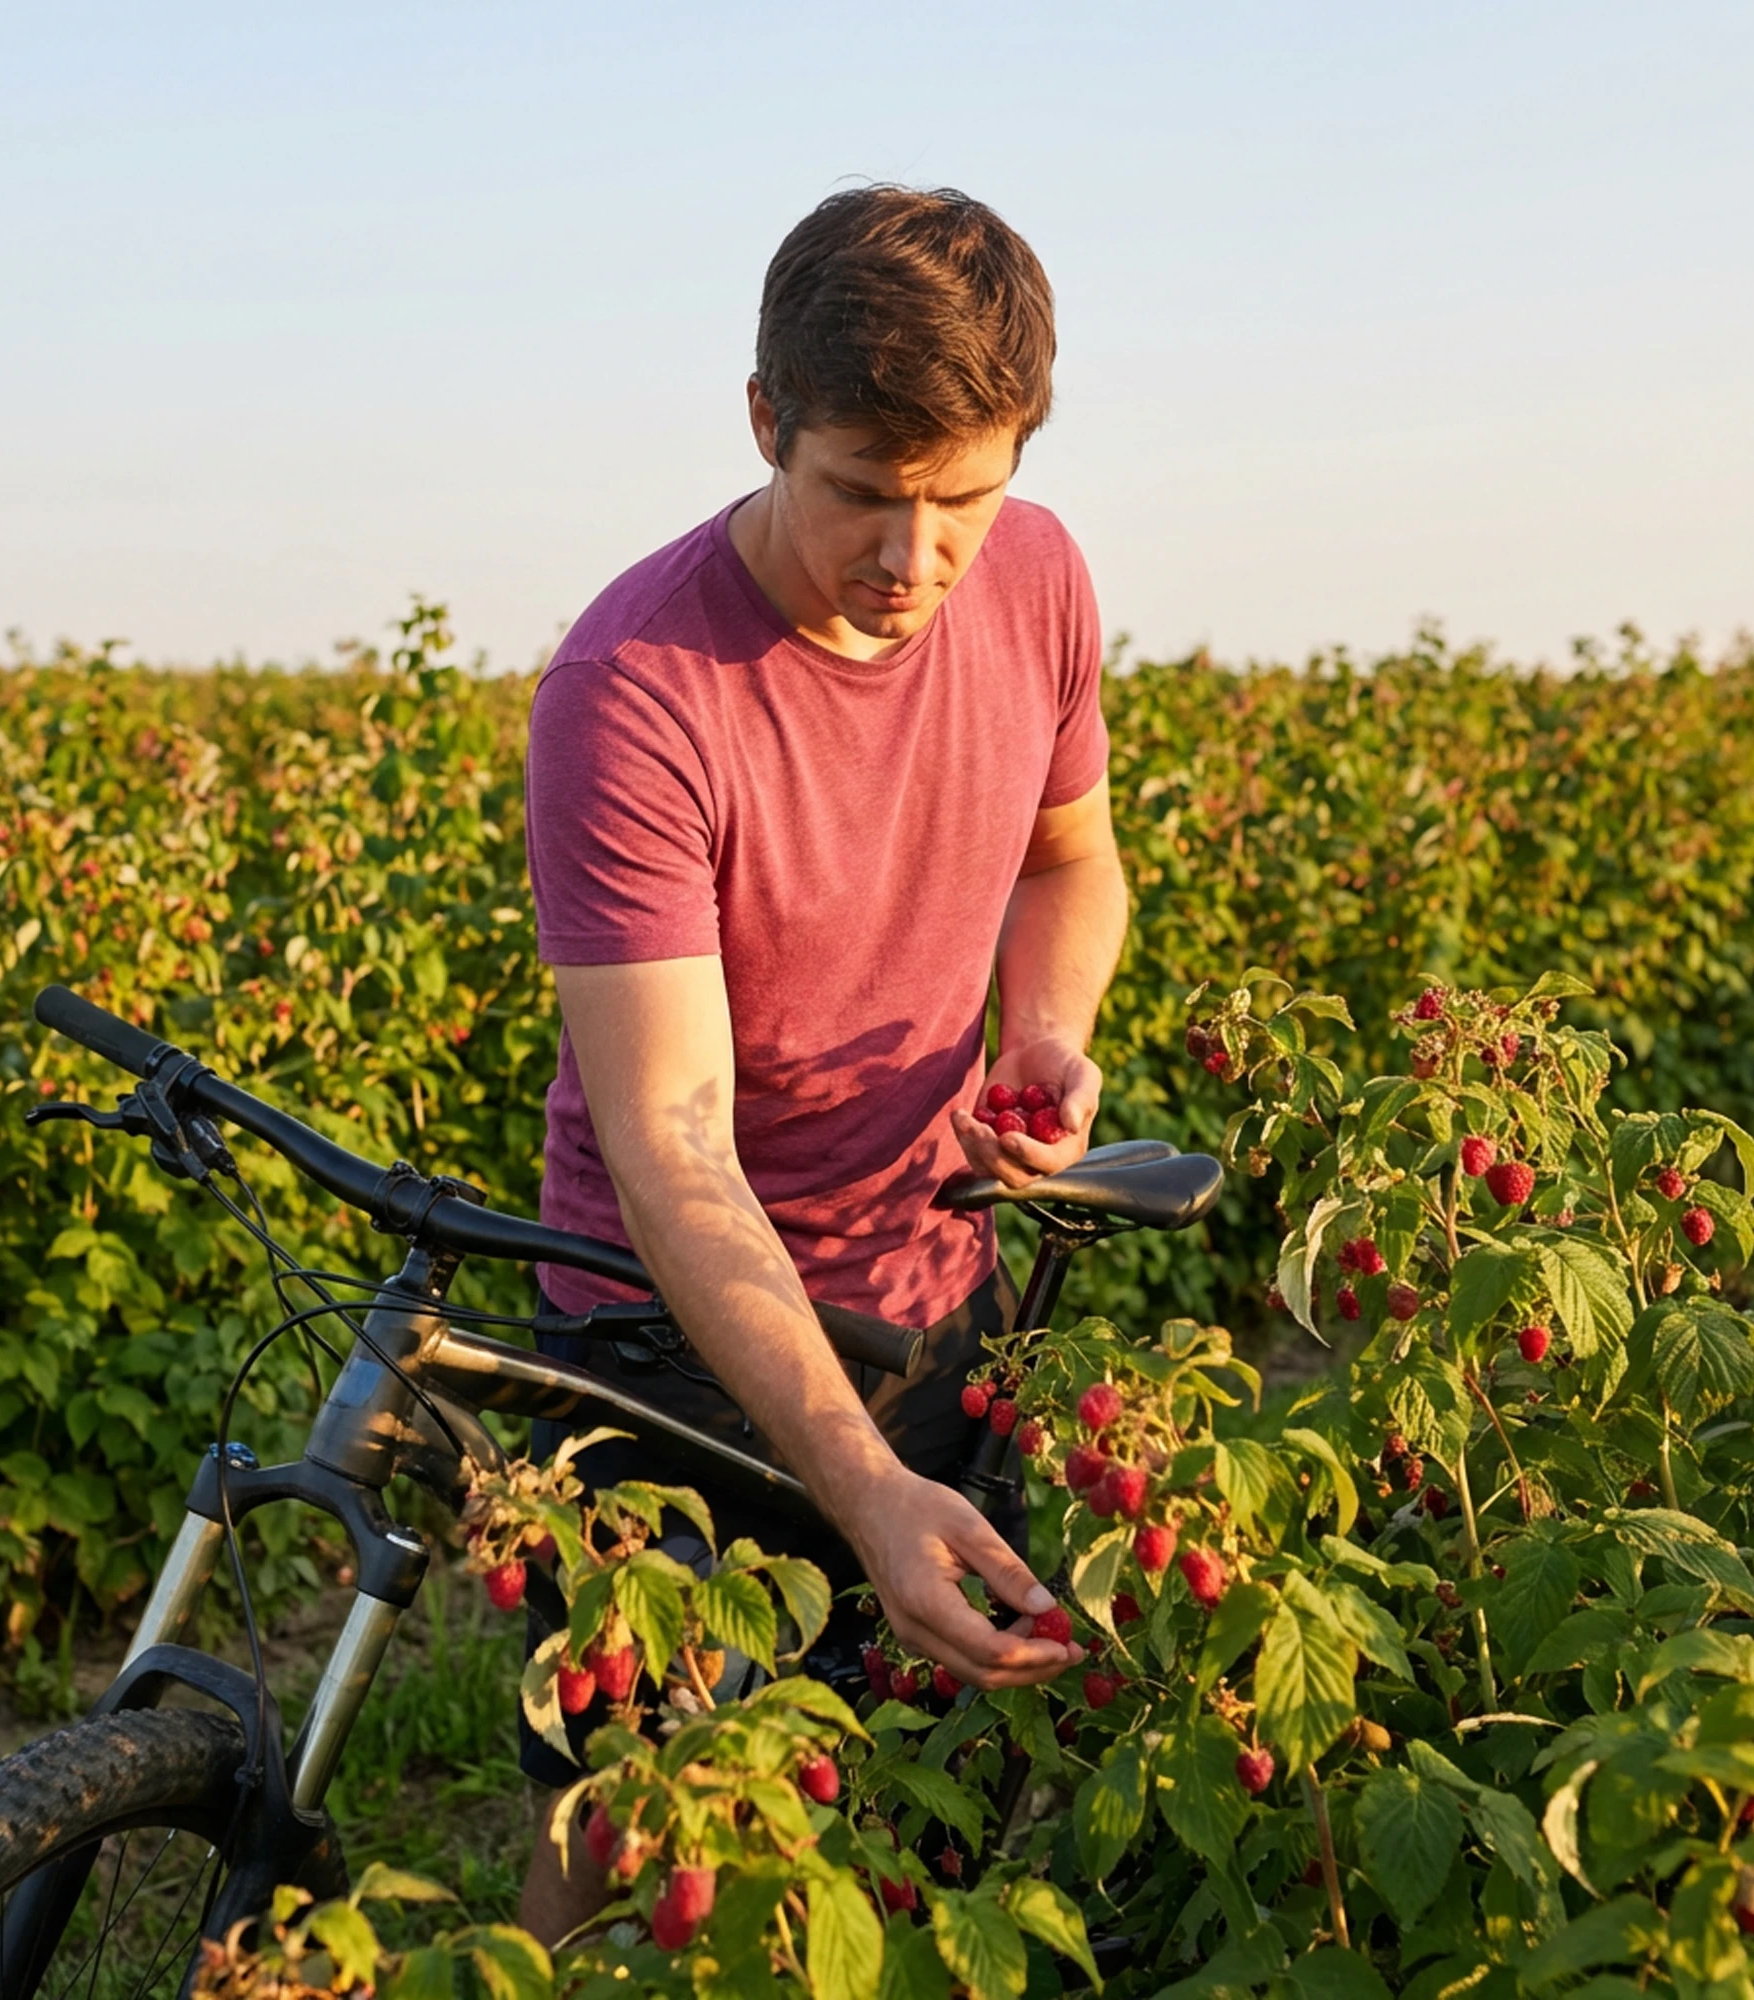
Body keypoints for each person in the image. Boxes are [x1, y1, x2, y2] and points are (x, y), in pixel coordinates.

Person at [515, 183, 1128, 1937]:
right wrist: (857, 1483)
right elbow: (671, 1137)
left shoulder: (1042, 576)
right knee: (634, 1820)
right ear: (768, 419)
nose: (911, 560)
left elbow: (1073, 862)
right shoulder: (635, 689)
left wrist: (1048, 1032)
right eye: (864, 491)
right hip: (667, 1334)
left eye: (963, 500)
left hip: (938, 1282)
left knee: (907, 1814)